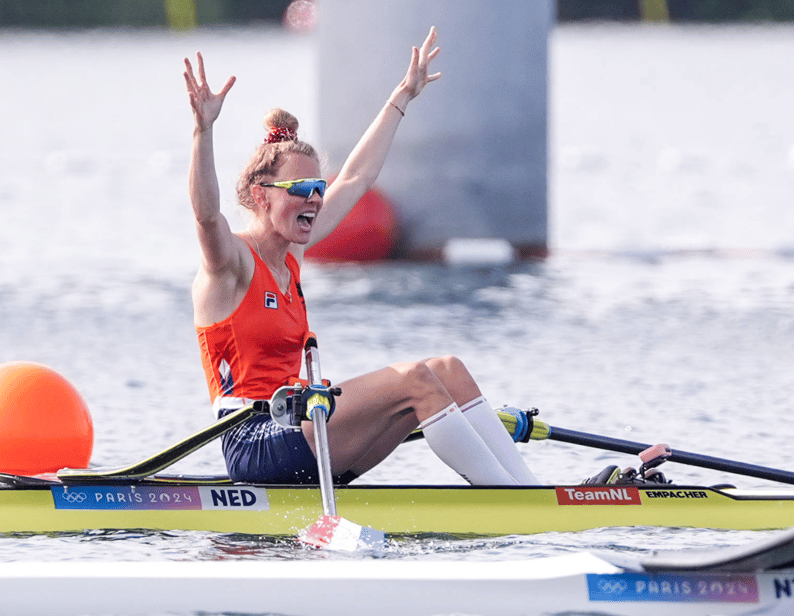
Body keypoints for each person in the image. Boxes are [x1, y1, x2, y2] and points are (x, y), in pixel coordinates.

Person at [183, 27, 539, 487]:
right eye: (300, 191)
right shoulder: (230, 264)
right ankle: (512, 503)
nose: (314, 200)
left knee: (446, 370)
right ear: (261, 196)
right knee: (414, 378)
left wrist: (401, 98)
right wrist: (202, 130)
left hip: (301, 427)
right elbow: (206, 215)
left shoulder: (292, 253)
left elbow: (354, 178)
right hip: (255, 441)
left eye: (316, 189)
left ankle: (527, 492)